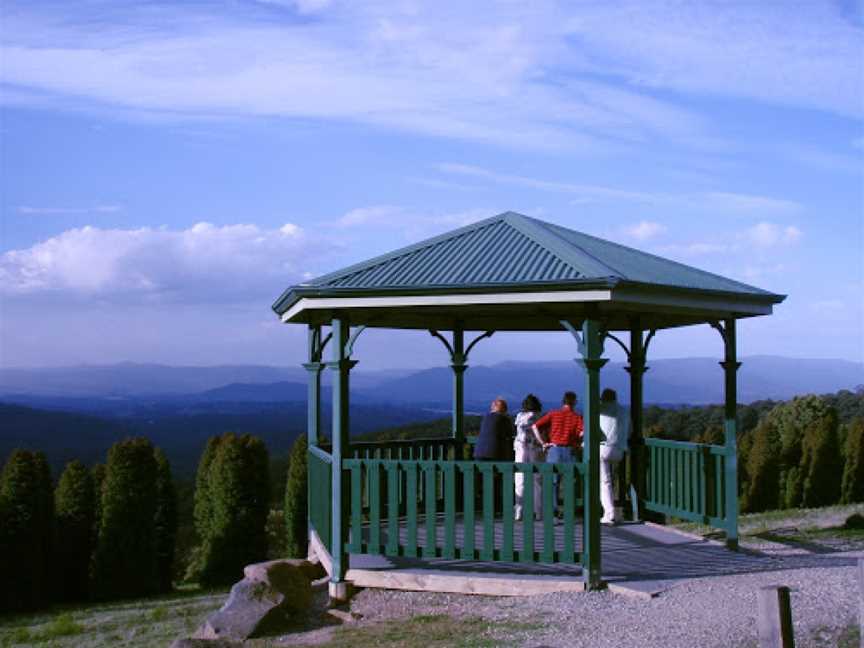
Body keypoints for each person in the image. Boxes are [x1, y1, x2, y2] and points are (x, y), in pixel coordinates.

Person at [531, 391, 583, 518]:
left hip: (554, 450)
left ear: (563, 402)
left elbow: (535, 426)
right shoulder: (577, 417)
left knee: (552, 482)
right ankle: (569, 511)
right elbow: (582, 433)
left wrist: (543, 443)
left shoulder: (554, 414)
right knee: (570, 482)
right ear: (575, 402)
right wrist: (577, 442)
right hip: (570, 450)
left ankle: (553, 512)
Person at [599, 388, 630, 525]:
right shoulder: (624, 411)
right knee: (614, 479)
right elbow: (630, 430)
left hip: (604, 448)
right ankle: (616, 510)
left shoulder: (599, 409)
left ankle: (609, 513)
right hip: (620, 449)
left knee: (605, 482)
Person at [513, 394, 544, 521]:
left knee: (520, 480)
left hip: (520, 448)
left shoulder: (519, 416)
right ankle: (538, 511)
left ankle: (519, 511)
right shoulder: (537, 416)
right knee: (537, 480)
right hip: (534, 448)